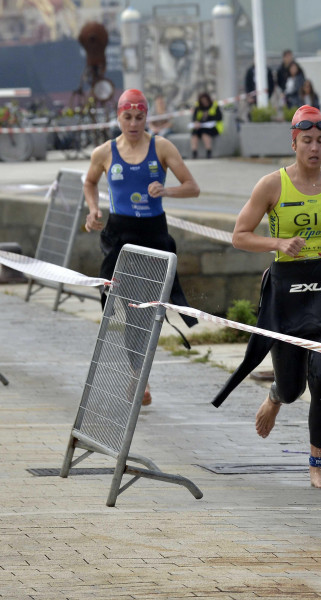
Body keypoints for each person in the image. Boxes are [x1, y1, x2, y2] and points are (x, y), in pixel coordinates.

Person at [211, 105, 321, 489]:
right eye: (307, 141)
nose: (315, 148)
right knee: (294, 386)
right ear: (294, 142)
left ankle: (317, 464)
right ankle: (276, 396)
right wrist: (278, 241)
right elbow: (240, 235)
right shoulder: (272, 185)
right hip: (288, 289)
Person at [82, 89, 201, 405]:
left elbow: (193, 188)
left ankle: (139, 378)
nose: (133, 124)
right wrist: (93, 210)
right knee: (123, 306)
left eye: (139, 117)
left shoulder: (161, 147)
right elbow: (90, 182)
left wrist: (166, 191)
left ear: (146, 117)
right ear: (118, 117)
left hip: (153, 236)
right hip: (119, 236)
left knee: (148, 311)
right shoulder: (104, 153)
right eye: (127, 117)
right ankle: (138, 373)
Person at [189, 92, 223, 159]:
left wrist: (209, 116)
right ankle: (194, 153)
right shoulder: (198, 106)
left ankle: (209, 152)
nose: (204, 102)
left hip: (214, 127)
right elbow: (194, 117)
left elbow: (219, 117)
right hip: (201, 126)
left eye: (205, 100)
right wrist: (196, 122)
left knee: (205, 133)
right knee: (194, 133)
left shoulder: (214, 105)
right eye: (202, 101)